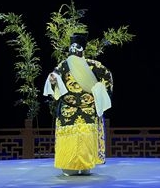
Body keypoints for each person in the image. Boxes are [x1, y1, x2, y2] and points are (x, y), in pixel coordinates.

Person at [43, 33, 113, 176]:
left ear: (82, 50)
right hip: (68, 108)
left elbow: (107, 76)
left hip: (88, 108)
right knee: (70, 137)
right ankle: (69, 165)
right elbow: (54, 76)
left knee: (86, 137)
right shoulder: (63, 65)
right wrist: (52, 79)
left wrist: (99, 91)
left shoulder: (92, 65)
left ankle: (86, 165)